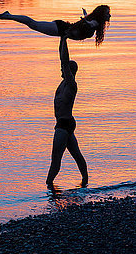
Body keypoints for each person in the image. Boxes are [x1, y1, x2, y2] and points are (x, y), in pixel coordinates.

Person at [45, 35, 88, 187]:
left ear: (70, 72)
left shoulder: (71, 85)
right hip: (65, 123)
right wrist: (62, 39)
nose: (61, 69)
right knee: (76, 154)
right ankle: (85, 181)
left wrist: (66, 42)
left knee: (56, 157)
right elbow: (62, 59)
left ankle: (49, 185)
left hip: (64, 124)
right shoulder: (63, 83)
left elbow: (64, 61)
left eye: (65, 68)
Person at [0, 5, 111, 46]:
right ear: (101, 15)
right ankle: (9, 15)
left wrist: (85, 16)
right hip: (60, 28)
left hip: (61, 29)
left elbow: (87, 21)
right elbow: (89, 23)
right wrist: (86, 21)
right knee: (33, 24)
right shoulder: (94, 23)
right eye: (107, 14)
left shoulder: (94, 22)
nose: (109, 16)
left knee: (33, 24)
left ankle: (9, 16)